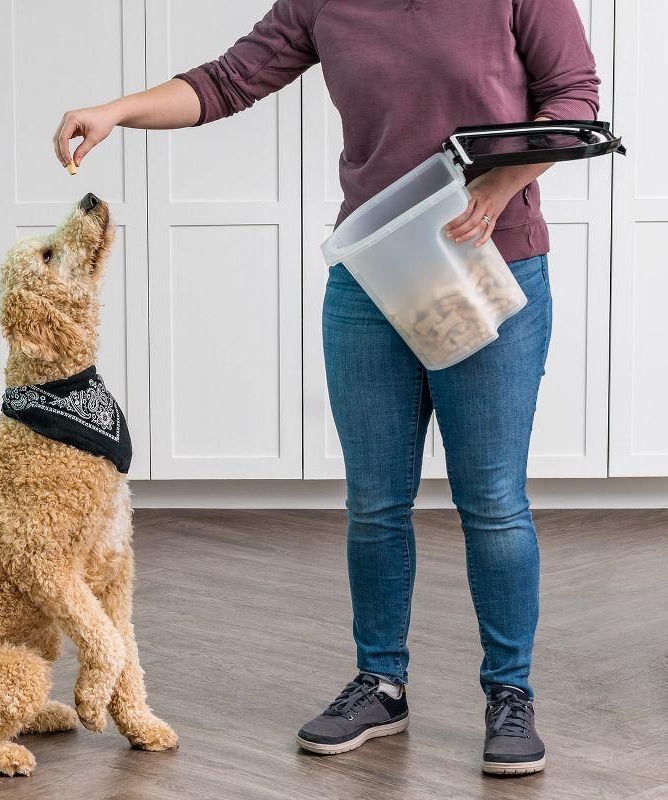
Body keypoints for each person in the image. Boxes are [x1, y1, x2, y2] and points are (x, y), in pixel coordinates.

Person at [53, 0, 599, 775]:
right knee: (375, 502)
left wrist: (505, 182)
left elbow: (574, 95)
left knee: (493, 500)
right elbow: (227, 81)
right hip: (374, 271)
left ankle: (510, 694)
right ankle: (381, 683)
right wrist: (115, 111)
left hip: (491, 262)